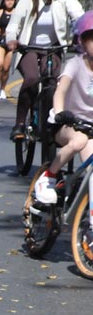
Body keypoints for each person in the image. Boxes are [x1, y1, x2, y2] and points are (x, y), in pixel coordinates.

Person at [5, 0, 84, 141]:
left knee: (54, 83)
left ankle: (51, 122)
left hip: (54, 48)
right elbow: (14, 24)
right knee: (32, 78)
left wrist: (82, 35)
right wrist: (11, 39)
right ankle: (20, 124)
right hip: (28, 48)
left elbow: (79, 18)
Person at [34, 12, 93, 204]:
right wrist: (59, 113)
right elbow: (61, 91)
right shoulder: (75, 65)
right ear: (82, 42)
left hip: (90, 129)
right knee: (78, 140)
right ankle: (48, 177)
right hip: (66, 124)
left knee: (91, 170)